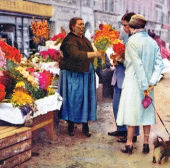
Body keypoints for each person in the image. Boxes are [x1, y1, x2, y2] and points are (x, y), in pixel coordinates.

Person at [116, 14, 163, 154]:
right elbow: (159, 65)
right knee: (146, 112)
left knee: (132, 112)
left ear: (132, 27)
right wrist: (151, 83)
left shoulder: (132, 42)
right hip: (149, 84)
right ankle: (146, 144)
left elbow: (137, 66)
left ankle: (129, 144)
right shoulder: (152, 42)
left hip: (134, 83)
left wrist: (143, 86)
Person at [58, 17, 104, 137]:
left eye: (83, 24)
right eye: (79, 24)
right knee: (74, 98)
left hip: (86, 73)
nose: (82, 26)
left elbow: (90, 51)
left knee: (87, 99)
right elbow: (75, 54)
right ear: (73, 26)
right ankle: (71, 124)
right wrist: (95, 54)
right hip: (75, 74)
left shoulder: (85, 39)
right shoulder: (69, 40)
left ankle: (85, 125)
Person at [108, 12, 140, 143]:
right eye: (123, 25)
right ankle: (121, 129)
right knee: (117, 105)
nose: (124, 28)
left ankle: (133, 134)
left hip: (129, 78)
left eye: (126, 25)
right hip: (119, 76)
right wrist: (116, 58)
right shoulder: (126, 37)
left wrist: (120, 60)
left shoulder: (137, 40)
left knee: (130, 107)